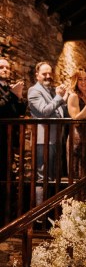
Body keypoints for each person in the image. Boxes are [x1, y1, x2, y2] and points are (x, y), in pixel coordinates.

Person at [27, 61, 69, 205]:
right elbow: (44, 111)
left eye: (50, 73)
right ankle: (39, 216)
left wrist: (64, 99)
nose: (48, 76)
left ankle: (49, 209)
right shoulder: (34, 91)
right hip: (43, 139)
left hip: (55, 138)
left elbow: (58, 112)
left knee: (52, 177)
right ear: (37, 75)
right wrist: (58, 97)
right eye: (44, 73)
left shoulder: (50, 91)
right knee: (42, 176)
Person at [0, 57, 27, 225]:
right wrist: (12, 94)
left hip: (9, 140)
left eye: (7, 68)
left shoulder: (8, 88)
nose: (5, 70)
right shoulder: (6, 90)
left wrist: (18, 97)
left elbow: (20, 112)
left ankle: (5, 218)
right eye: (2, 67)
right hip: (0, 138)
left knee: (6, 177)